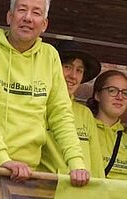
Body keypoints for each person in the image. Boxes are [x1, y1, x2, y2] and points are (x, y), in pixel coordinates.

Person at [0, 0, 89, 187]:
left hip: (27, 174)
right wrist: (4, 159)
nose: (28, 18)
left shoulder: (50, 56)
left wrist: (76, 163)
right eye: (22, 10)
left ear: (44, 24)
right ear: (9, 16)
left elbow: (61, 114)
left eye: (36, 12)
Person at [40, 42, 100, 176]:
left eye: (79, 70)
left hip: (83, 192)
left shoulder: (85, 113)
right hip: (46, 189)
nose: (73, 75)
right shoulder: (39, 106)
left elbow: (96, 163)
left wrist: (100, 193)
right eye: (67, 67)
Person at [87, 69, 127, 181]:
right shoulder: (84, 131)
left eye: (125, 92)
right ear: (97, 95)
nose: (120, 97)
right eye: (112, 90)